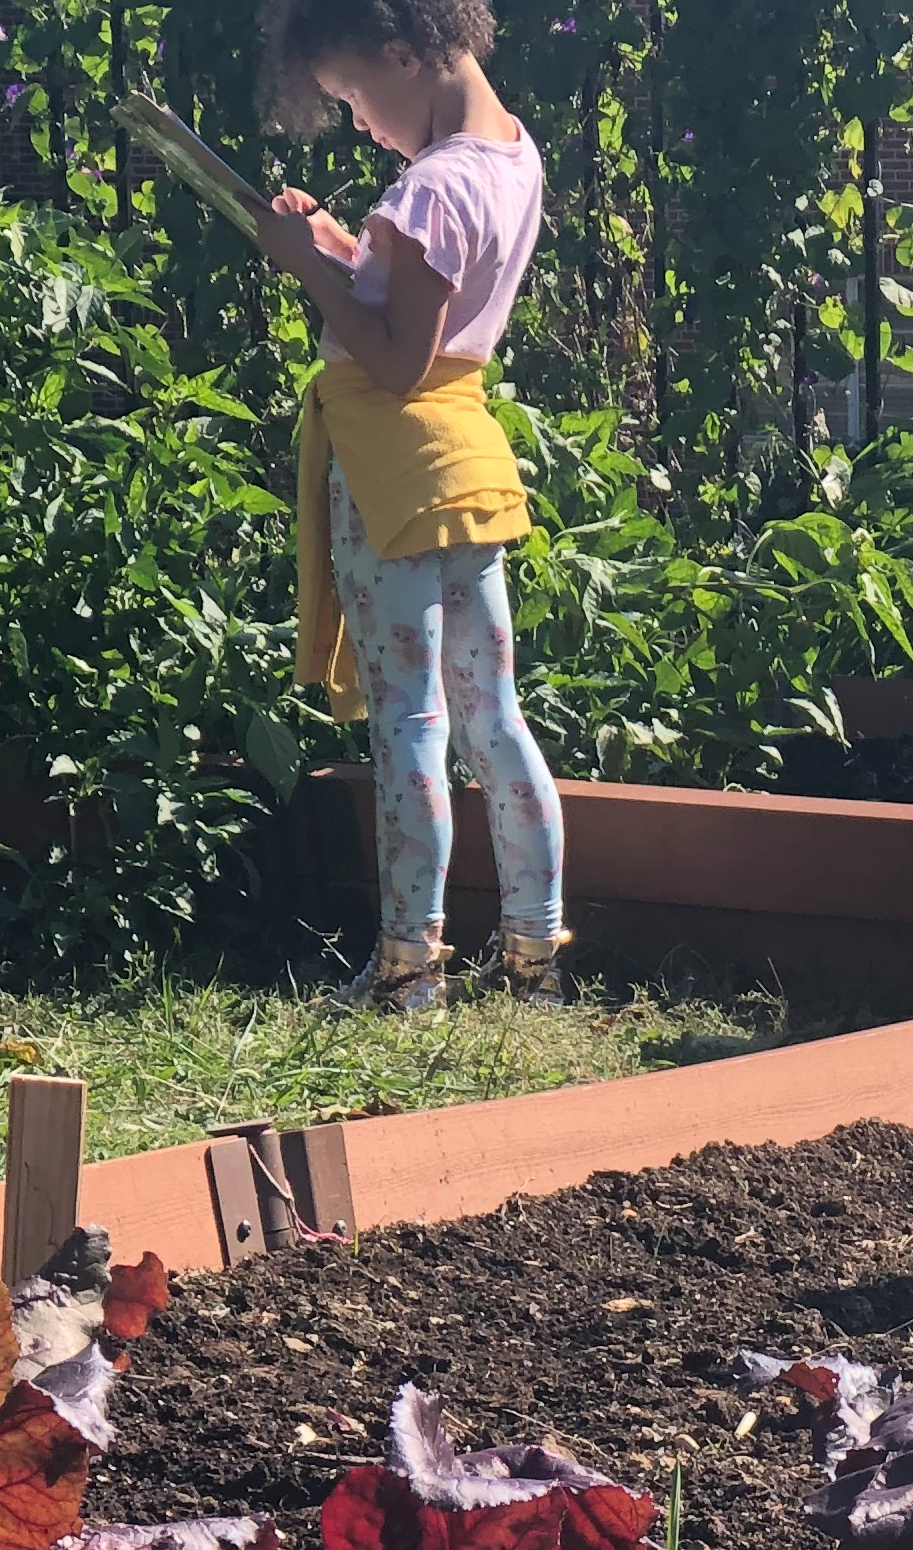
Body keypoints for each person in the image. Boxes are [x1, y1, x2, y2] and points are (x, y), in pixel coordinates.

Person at [254, 0, 567, 1013]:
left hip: (394, 475)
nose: (357, 121)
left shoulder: (431, 188)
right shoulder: (511, 156)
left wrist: (306, 270)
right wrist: (347, 250)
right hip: (467, 465)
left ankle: (408, 969)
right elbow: (421, 312)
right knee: (497, 720)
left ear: (404, 55)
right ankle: (534, 958)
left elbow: (392, 363)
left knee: (410, 723)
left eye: (352, 95)